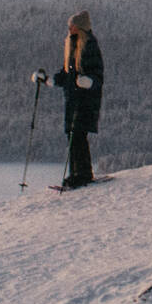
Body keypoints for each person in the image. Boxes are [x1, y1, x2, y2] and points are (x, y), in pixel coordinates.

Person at [57, 10, 105, 190]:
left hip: (85, 100)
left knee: (78, 134)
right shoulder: (73, 45)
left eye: (73, 25)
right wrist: (50, 80)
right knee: (71, 134)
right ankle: (75, 173)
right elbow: (66, 74)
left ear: (80, 27)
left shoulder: (90, 46)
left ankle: (83, 174)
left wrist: (89, 82)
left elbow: (97, 75)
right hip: (73, 98)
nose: (70, 28)